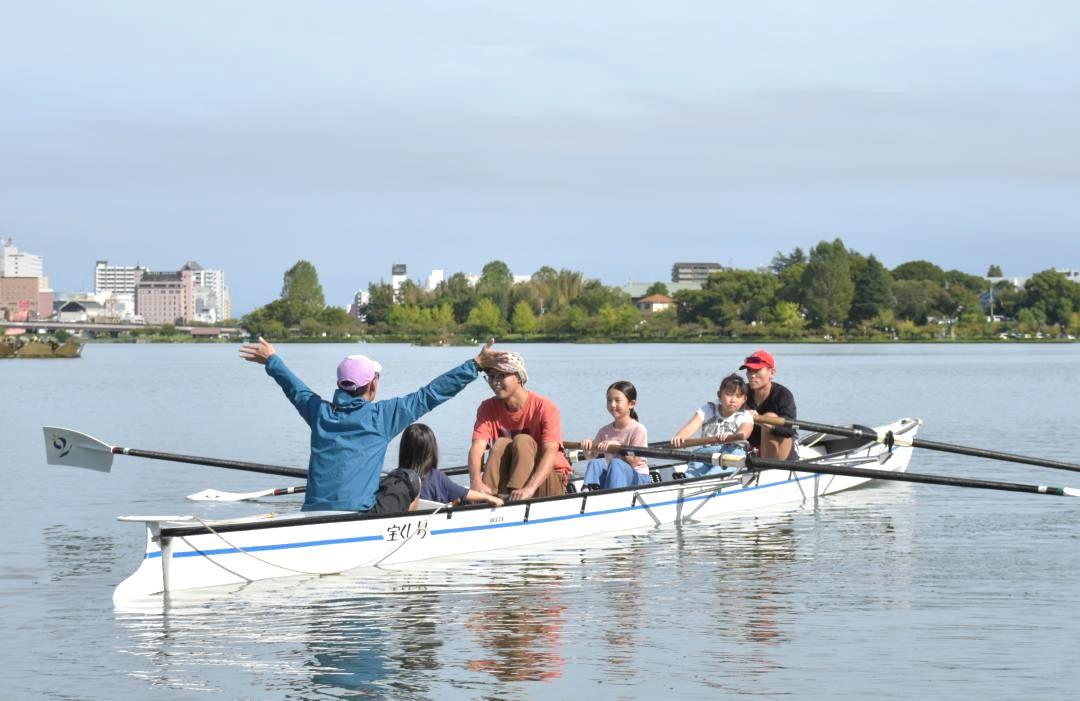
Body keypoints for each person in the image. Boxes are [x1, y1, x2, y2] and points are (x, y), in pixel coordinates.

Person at [239, 336, 506, 512]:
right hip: (358, 516)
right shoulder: (381, 417)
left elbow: (294, 388)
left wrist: (272, 360)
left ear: (339, 386)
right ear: (373, 384)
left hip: (312, 511)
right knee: (408, 477)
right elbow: (431, 394)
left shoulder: (319, 413)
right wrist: (476, 364)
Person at [468, 351, 570, 501]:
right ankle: (486, 496)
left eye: (501, 375)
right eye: (491, 376)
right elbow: (477, 447)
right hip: (511, 479)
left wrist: (530, 488)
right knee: (501, 443)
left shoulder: (545, 407)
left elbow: (550, 452)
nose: (495, 381)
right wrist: (475, 481)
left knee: (523, 440)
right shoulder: (487, 408)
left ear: (519, 377)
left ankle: (515, 498)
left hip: (547, 480)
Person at [395, 423, 504, 508]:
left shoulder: (396, 477)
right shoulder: (436, 477)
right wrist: (489, 498)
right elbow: (464, 493)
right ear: (431, 450)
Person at [670, 373, 755, 476]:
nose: (733, 400)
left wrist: (732, 436)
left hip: (732, 454)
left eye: (738, 396)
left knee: (710, 476)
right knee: (690, 476)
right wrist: (679, 437)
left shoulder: (745, 415)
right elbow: (690, 427)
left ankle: (706, 480)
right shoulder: (708, 409)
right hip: (705, 454)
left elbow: (744, 432)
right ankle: (685, 480)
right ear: (719, 395)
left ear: (744, 399)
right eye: (729, 394)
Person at [579, 381, 651, 489]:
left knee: (616, 463)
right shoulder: (604, 431)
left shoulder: (638, 429)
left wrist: (618, 447)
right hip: (615, 476)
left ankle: (613, 498)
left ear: (631, 404)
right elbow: (591, 456)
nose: (612, 405)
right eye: (609, 400)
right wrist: (587, 447)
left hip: (639, 478)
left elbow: (634, 461)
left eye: (617, 401)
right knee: (595, 463)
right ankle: (587, 492)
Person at [740, 349, 798, 460]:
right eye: (749, 370)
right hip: (752, 449)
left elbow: (789, 430)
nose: (752, 375)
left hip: (781, 450)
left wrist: (760, 420)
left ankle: (769, 468)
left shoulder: (783, 395)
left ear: (772, 372)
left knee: (769, 417)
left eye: (756, 370)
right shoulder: (742, 393)